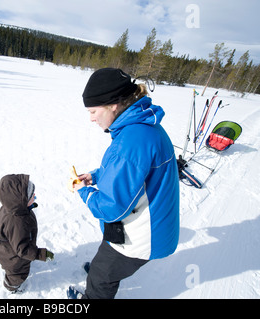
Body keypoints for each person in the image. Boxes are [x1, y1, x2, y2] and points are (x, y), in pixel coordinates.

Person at [67, 68, 180, 299]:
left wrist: (84, 190)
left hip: (142, 235)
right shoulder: (142, 126)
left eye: (93, 111)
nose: (91, 118)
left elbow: (110, 207)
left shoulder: (130, 142)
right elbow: (135, 171)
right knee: (106, 257)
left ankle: (98, 285)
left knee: (102, 276)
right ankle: (105, 270)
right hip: (151, 224)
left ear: (113, 105)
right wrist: (97, 176)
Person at [0, 174, 54, 293]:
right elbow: (23, 249)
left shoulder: (12, 208)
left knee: (19, 266)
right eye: (31, 195)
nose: (35, 196)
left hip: (9, 249)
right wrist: (40, 254)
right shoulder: (17, 223)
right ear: (21, 201)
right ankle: (12, 286)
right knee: (17, 274)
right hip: (14, 259)